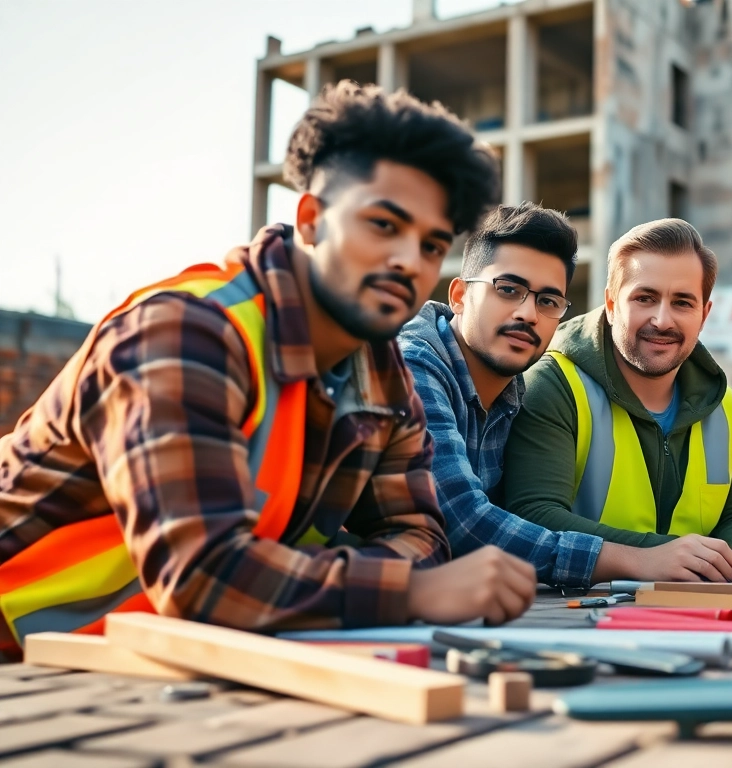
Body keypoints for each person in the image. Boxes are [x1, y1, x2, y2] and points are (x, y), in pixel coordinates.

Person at [0, 82, 538, 654]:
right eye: (383, 225)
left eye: (431, 245)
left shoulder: (381, 370)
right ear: (310, 219)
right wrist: (407, 589)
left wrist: (300, 577)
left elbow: (422, 537)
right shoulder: (187, 334)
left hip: (144, 665)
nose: (409, 261)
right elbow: (202, 575)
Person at [400, 204, 732, 586]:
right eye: (508, 290)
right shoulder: (411, 369)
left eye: (548, 301)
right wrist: (640, 558)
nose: (527, 314)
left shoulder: (509, 390)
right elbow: (462, 523)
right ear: (460, 295)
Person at [502, 219, 732, 582]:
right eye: (645, 298)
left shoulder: (725, 407)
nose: (662, 319)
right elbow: (532, 516)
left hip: (694, 607)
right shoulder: (553, 384)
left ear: (704, 315)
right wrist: (656, 554)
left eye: (682, 302)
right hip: (571, 611)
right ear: (610, 303)